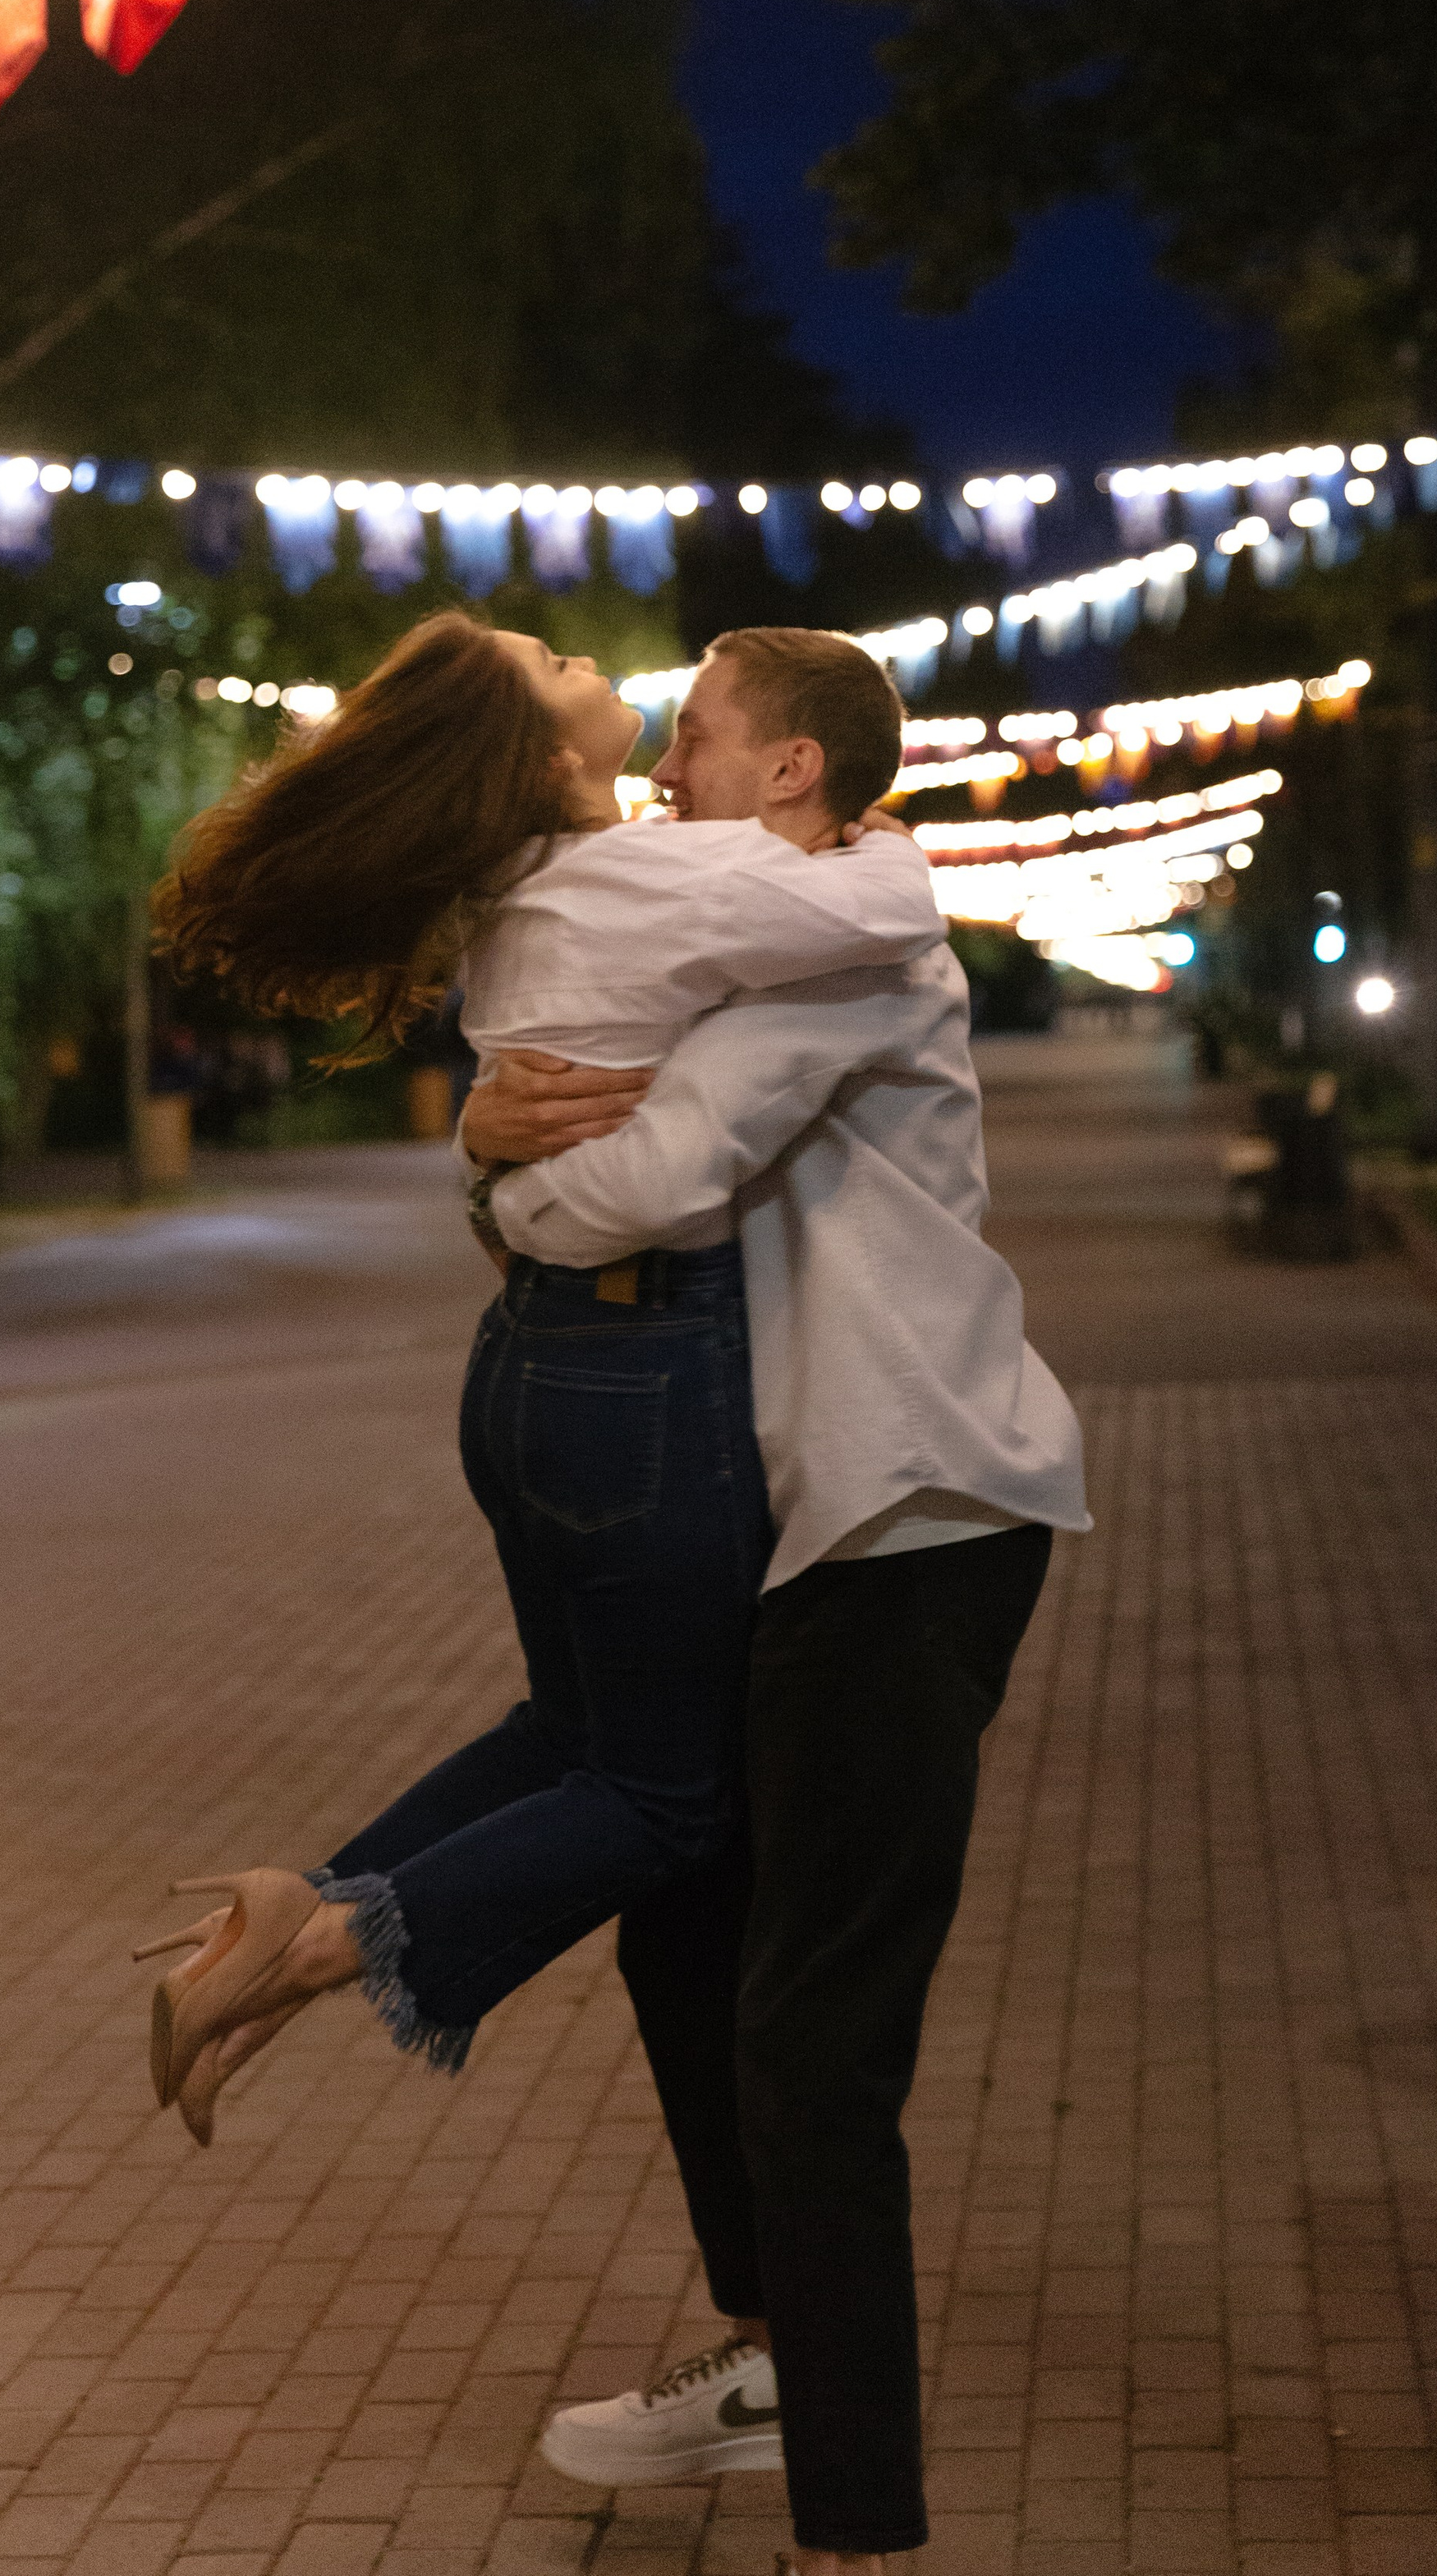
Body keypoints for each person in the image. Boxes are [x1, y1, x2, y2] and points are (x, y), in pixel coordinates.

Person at [137, 609, 940, 2163]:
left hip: (533, 1373)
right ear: (537, 753)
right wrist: (867, 830)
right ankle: (322, 1948)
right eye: (554, 667)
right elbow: (896, 901)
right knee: (666, 1798)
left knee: (575, 1736)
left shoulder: (533, 887)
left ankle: (305, 1907)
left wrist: (484, 1173)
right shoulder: (654, 875)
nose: (589, 662)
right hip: (639, 1375)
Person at [457, 627, 1091, 2574]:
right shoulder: (778, 927)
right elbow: (585, 1084)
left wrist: (494, 1184)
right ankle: (766, 2352)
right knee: (685, 1927)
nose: (666, 773)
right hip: (820, 1522)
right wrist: (495, 1141)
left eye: (701, 742)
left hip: (909, 1515)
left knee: (814, 2043)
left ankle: (854, 2523)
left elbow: (646, 1174)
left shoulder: (842, 933)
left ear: (794, 775)